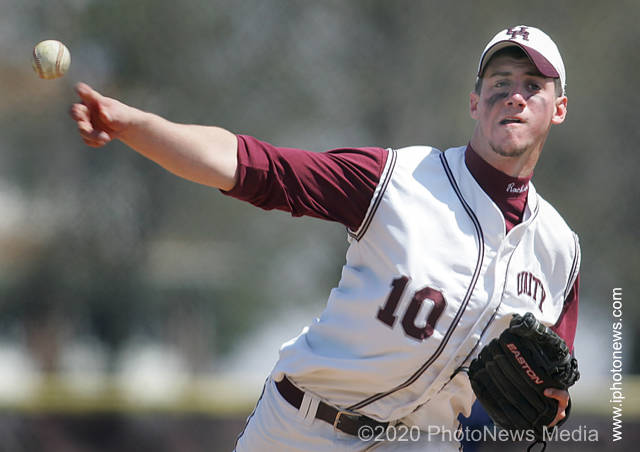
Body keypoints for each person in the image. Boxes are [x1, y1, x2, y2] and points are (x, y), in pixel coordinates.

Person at [70, 25, 580, 451]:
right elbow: (253, 165)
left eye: (532, 84)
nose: (513, 94)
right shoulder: (396, 181)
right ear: (474, 102)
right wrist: (136, 125)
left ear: (557, 109)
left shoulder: (559, 251)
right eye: (499, 81)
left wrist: (552, 404)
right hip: (304, 428)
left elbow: (550, 387)